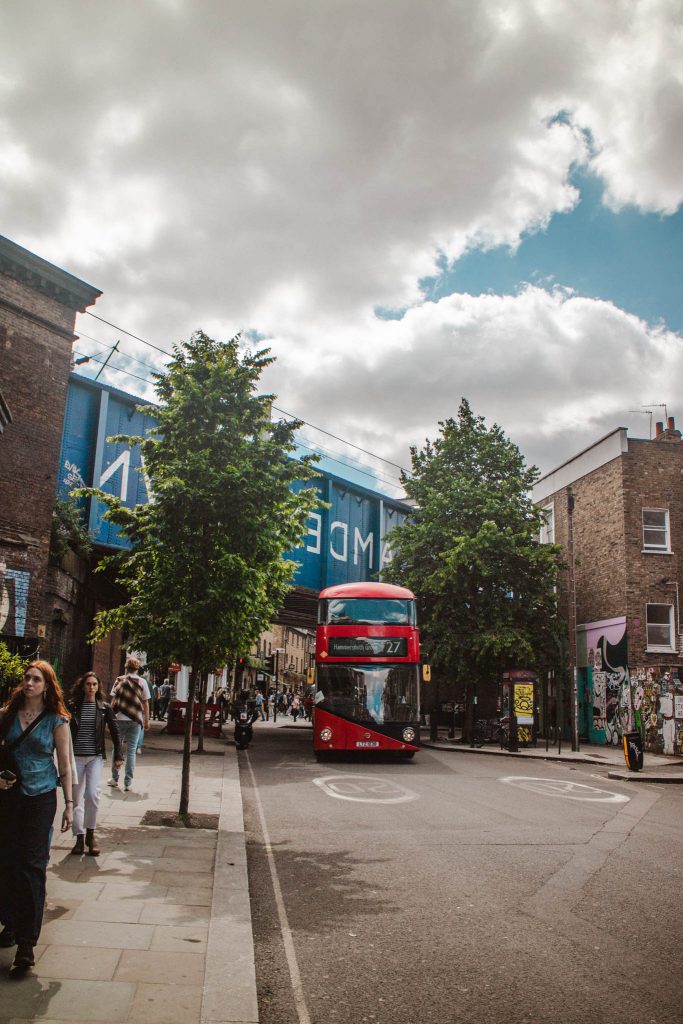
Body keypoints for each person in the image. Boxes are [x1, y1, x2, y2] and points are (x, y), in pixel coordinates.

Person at [0, 660, 73, 972]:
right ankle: (12, 922)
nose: (29, 683)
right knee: (6, 862)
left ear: (47, 686)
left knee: (32, 866)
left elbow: (66, 765)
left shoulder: (57, 720)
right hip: (8, 798)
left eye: (36, 679)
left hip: (41, 797)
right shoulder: (5, 716)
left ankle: (27, 946)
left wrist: (70, 804)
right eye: (27, 678)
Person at [68, 671, 123, 856]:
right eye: (88, 684)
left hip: (95, 757)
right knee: (76, 799)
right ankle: (79, 838)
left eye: (94, 684)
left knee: (92, 795)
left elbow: (115, 732)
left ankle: (91, 834)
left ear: (98, 687)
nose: (91, 688)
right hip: (75, 757)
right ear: (82, 686)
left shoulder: (104, 708)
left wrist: (119, 756)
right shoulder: (73, 707)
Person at [107, 656, 150, 793]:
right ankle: (128, 783)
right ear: (137, 669)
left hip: (119, 718)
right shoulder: (142, 682)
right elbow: (145, 702)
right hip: (135, 720)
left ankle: (114, 779)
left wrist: (109, 719)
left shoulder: (119, 680)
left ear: (126, 668)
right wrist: (147, 720)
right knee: (131, 751)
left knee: (117, 748)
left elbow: (113, 699)